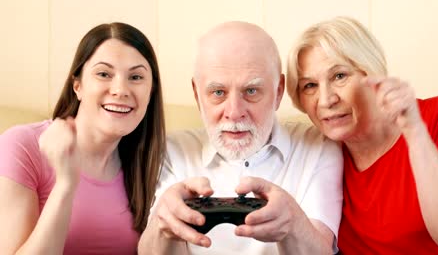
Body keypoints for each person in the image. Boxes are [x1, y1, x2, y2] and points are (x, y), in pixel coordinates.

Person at [138, 21, 343, 255]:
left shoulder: (318, 147)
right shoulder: (173, 151)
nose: (234, 112)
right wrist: (163, 226)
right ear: (197, 94)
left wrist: (294, 223)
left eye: (251, 91)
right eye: (218, 93)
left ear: (278, 92)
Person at [286, 16, 438, 254]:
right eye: (309, 86)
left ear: (371, 73)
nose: (326, 100)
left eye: (339, 76)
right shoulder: (317, 153)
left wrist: (415, 132)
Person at [0, 22, 166, 254]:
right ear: (77, 85)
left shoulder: (153, 163)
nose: (120, 89)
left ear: (151, 92)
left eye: (136, 77)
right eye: (103, 74)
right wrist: (66, 184)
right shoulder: (21, 145)